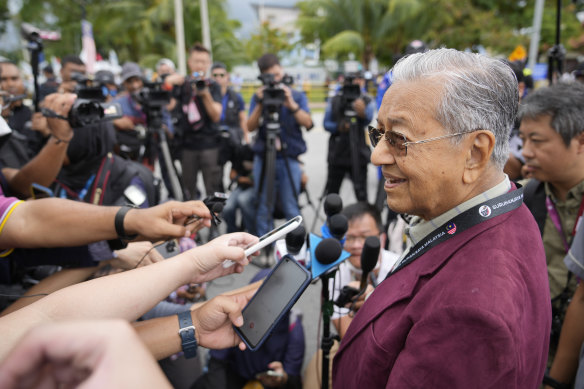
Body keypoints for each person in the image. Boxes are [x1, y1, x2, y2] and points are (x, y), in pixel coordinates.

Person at [333, 48, 550, 388]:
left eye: (399, 139)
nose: (377, 155)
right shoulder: (504, 208)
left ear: (475, 153)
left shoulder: (472, 314)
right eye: (378, 134)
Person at [518, 82, 584, 359]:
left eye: (538, 140)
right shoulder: (518, 200)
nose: (526, 152)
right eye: (523, 140)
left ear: (580, 141)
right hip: (531, 351)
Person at [247, 53, 313, 236]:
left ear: (282, 70)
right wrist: (260, 104)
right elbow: (249, 126)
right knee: (263, 205)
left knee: (291, 205)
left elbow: (308, 123)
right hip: (264, 156)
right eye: (270, 76)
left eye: (277, 74)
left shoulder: (295, 95)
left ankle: (297, 250)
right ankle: (265, 251)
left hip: (289, 157)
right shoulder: (258, 96)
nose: (275, 80)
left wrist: (290, 104)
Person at [166, 43, 223, 200]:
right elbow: (169, 106)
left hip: (209, 146)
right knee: (188, 191)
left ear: (209, 64)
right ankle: (190, 222)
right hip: (187, 146)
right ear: (189, 62)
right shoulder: (182, 84)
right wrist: (168, 84)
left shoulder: (213, 86)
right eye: (196, 61)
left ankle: (214, 222)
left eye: (204, 62)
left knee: (212, 189)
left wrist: (205, 94)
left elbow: (216, 115)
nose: (200, 65)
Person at [323, 73, 375, 202]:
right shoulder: (335, 99)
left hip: (358, 153)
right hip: (337, 153)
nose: (355, 84)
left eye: (358, 79)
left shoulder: (365, 99)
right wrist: (339, 127)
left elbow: (368, 120)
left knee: (361, 194)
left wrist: (362, 112)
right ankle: (331, 219)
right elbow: (326, 124)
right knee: (332, 194)